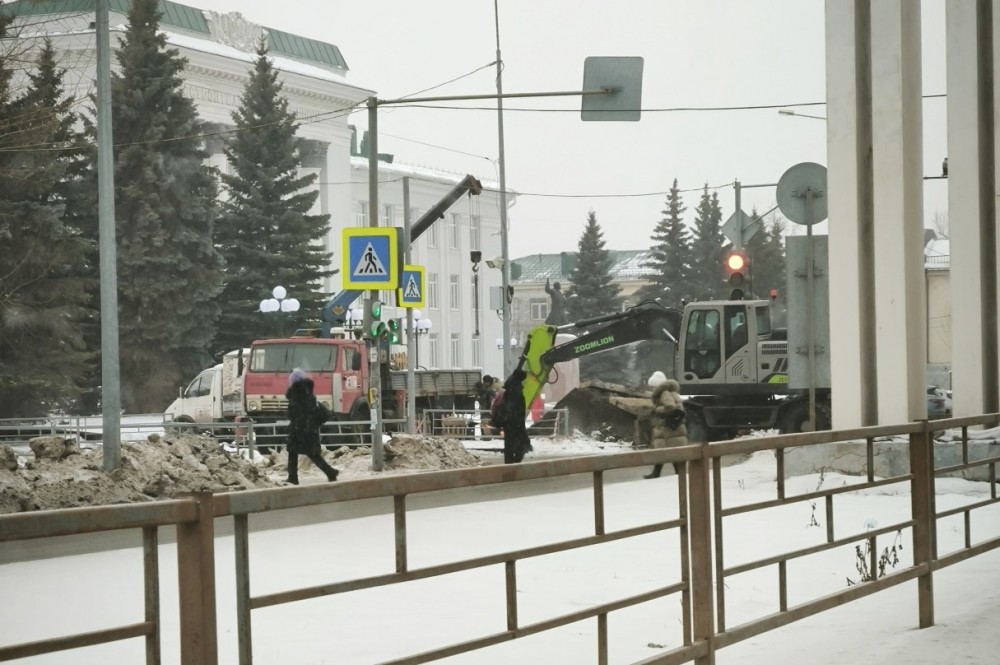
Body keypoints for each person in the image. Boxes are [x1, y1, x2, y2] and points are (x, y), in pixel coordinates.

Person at [285, 368, 339, 484]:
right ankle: (330, 472)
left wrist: (296, 424)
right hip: (310, 429)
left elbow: (292, 414)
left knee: (295, 452)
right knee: (311, 453)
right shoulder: (309, 395)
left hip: (299, 430)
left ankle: (293, 477)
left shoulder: (296, 395)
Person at [643, 371, 688, 479]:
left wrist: (657, 409)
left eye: (652, 387)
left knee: (665, 451)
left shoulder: (664, 393)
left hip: (669, 430)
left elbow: (670, 407)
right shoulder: (671, 392)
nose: (651, 389)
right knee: (670, 453)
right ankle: (676, 475)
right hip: (673, 430)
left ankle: (659, 473)